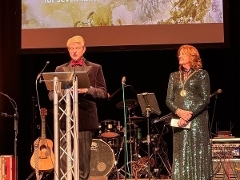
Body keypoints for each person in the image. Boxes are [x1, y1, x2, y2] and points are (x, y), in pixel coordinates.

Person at [48, 35, 107, 180]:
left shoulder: (95, 68)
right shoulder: (60, 69)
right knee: (62, 159)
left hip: (84, 117)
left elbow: (103, 92)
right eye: (71, 48)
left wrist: (87, 90)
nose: (74, 51)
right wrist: (63, 92)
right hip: (64, 118)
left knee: (82, 160)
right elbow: (51, 95)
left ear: (84, 49)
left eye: (77, 48)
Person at [165, 44, 213, 179]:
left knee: (197, 152)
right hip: (179, 121)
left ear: (192, 56)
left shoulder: (202, 75)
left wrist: (188, 114)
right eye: (179, 54)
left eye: (183, 54)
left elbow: (205, 100)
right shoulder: (173, 76)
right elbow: (168, 100)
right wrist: (179, 112)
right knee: (181, 154)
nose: (179, 56)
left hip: (197, 121)